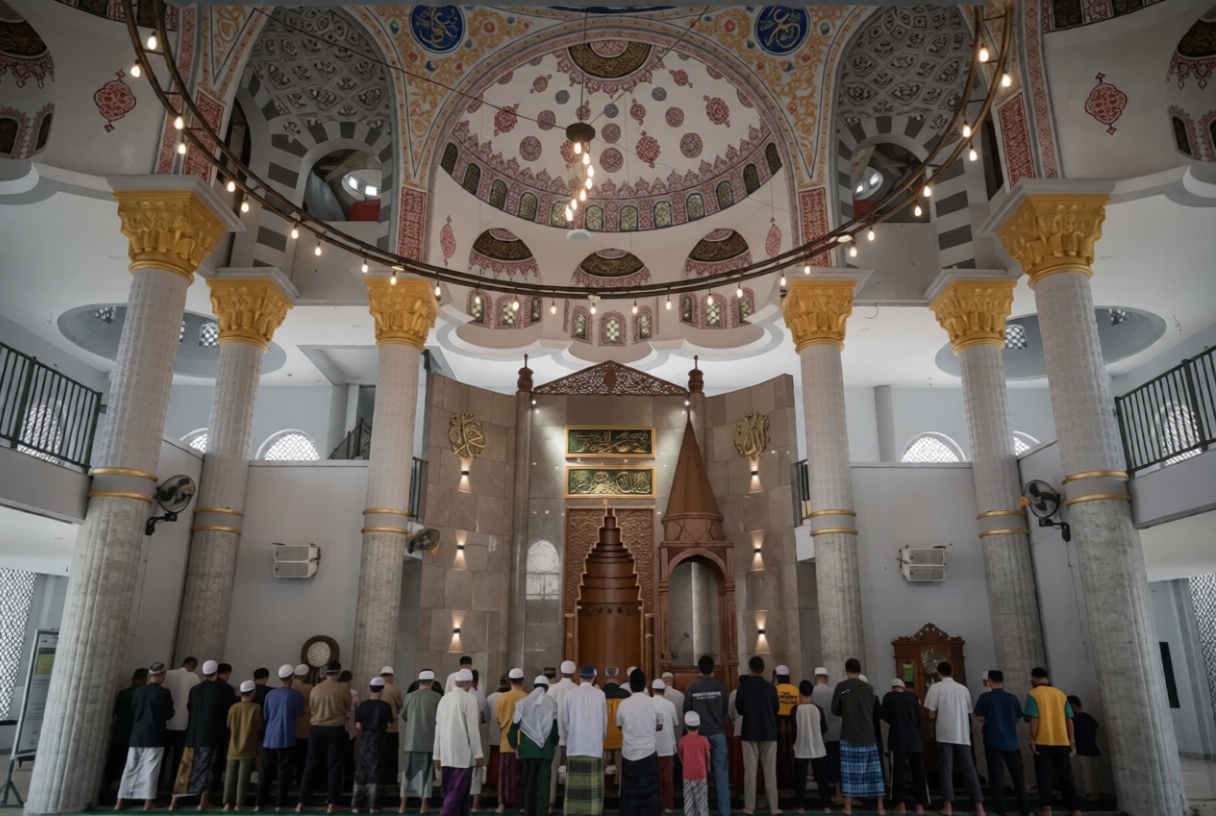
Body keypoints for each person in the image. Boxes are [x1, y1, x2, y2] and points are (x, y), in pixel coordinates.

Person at [923, 662, 984, 816]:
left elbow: (930, 714)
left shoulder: (935, 688)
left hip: (944, 735)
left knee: (945, 770)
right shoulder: (963, 689)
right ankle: (980, 808)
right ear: (953, 672)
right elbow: (969, 711)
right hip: (962, 735)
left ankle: (948, 807)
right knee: (969, 769)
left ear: (938, 673)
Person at [171, 660, 231, 811]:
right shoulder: (225, 689)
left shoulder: (195, 690)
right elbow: (228, 713)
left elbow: (190, 709)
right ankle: (203, 802)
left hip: (193, 733)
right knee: (207, 767)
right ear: (216, 673)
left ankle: (174, 801)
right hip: (212, 734)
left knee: (186, 767)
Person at [116, 662, 174, 812]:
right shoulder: (164, 693)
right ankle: (148, 803)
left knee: (130, 767)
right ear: (163, 675)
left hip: (136, 734)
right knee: (151, 769)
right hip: (154, 735)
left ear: (149, 675)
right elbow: (169, 714)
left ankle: (120, 801)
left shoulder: (138, 692)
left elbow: (135, 710)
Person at [830, 659, 884, 816]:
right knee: (875, 773)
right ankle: (880, 808)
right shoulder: (868, 688)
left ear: (846, 670)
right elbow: (873, 709)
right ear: (860, 670)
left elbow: (835, 708)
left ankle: (848, 807)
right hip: (868, 734)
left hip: (849, 734)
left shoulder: (844, 688)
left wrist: (846, 711)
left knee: (849, 774)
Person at [297, 661, 352, 813]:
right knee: (334, 766)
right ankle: (332, 804)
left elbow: (312, 708)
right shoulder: (343, 688)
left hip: (316, 729)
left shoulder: (315, 689)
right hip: (335, 729)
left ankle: (301, 802)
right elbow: (347, 707)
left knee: (311, 765)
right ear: (339, 673)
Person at [1025, 668, 1080, 816]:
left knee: (1044, 775)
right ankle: (1075, 809)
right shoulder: (1060, 694)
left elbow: (1034, 719)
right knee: (1066, 775)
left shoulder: (1033, 694)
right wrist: (1072, 739)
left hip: (1043, 741)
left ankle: (1047, 808)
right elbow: (1069, 719)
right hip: (1062, 741)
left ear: (1035, 679)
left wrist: (1032, 739)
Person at [973, 670, 1028, 816]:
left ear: (989, 681)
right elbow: (1018, 716)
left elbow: (979, 714)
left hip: (993, 741)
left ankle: (1000, 810)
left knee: (996, 777)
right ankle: (1024, 810)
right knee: (1018, 778)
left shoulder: (985, 697)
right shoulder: (1012, 698)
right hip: (1011, 742)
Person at [682, 656, 730, 816]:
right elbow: (725, 710)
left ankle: (700, 811)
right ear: (713, 668)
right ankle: (725, 811)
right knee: (721, 775)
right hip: (718, 734)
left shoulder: (692, 687)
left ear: (699, 668)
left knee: (699, 775)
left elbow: (687, 710)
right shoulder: (720, 686)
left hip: (699, 736)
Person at [433, 668, 484, 816]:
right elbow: (473, 729)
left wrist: (437, 755)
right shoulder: (470, 699)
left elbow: (438, 728)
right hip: (462, 756)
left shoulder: (444, 699)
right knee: (456, 794)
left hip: (446, 755)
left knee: (457, 795)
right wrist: (478, 753)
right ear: (469, 683)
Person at [735, 655, 780, 815]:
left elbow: (739, 710)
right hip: (769, 732)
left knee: (750, 771)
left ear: (750, 669)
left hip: (749, 732)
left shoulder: (743, 687)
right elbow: (776, 708)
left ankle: (749, 807)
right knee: (770, 772)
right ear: (763, 669)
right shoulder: (770, 687)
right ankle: (774, 807)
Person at [508, 676, 558, 816]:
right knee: (543, 785)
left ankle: (529, 812)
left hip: (528, 750)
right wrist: (554, 743)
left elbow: (513, 728)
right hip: (546, 750)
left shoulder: (522, 703)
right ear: (547, 688)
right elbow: (554, 729)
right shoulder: (551, 702)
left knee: (529, 783)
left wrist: (515, 746)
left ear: (533, 687)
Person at [257, 665, 304, 813]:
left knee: (265, 772)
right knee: (285, 772)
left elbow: (265, 715)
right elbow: (300, 714)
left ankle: (259, 803)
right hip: (287, 737)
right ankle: (280, 804)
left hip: (269, 738)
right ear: (292, 678)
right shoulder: (296, 694)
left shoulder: (270, 694)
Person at [616, 669, 663, 816]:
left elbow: (619, 724)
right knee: (650, 793)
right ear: (644, 685)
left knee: (629, 793)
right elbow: (660, 725)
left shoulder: (623, 704)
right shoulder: (653, 703)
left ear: (630, 685)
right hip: (648, 752)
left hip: (629, 753)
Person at [562, 665, 608, 816]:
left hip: (575, 744)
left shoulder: (570, 693)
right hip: (594, 746)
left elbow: (565, 720)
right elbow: (604, 721)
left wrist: (572, 735)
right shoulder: (600, 694)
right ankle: (593, 811)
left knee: (576, 785)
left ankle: (573, 811)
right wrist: (600, 740)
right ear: (594, 677)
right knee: (592, 785)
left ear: (578, 677)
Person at [880, 679, 927, 815]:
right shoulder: (913, 697)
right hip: (915, 740)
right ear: (903, 687)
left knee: (898, 773)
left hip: (898, 740)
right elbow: (918, 718)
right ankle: (920, 806)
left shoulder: (889, 697)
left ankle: (901, 805)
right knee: (918, 773)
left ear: (893, 687)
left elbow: (884, 716)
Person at [400, 670, 442, 814]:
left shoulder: (409, 697)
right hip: (429, 741)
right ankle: (424, 805)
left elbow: (404, 716)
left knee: (409, 772)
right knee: (426, 773)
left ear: (419, 682)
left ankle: (403, 806)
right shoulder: (438, 697)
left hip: (411, 741)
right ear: (432, 682)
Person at [352, 678, 394, 813]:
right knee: (376, 769)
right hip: (379, 739)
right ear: (382, 690)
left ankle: (357, 805)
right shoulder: (385, 706)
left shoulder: (363, 705)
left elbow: (358, 725)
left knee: (362, 768)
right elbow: (389, 724)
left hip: (365, 739)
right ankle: (373, 806)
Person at [224, 680, 265, 811]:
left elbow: (228, 725)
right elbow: (259, 725)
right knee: (243, 776)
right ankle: (239, 805)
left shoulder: (233, 707)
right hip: (248, 747)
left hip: (233, 748)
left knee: (230, 775)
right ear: (253, 693)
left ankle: (226, 804)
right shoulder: (256, 707)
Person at [791, 680, 829, 814]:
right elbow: (824, 728)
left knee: (800, 781)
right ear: (812, 692)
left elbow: (793, 732)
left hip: (801, 748)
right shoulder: (818, 709)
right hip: (819, 748)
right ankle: (827, 807)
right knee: (822, 780)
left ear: (799, 692)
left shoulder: (795, 709)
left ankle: (800, 807)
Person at [108, 668, 149, 791]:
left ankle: (113, 782)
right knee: (130, 761)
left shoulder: (123, 693)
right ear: (141, 680)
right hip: (135, 733)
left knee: (116, 758)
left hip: (120, 731)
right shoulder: (143, 695)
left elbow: (116, 711)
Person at [163, 658, 200, 791]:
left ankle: (159, 784)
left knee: (163, 756)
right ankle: (175, 785)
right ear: (193, 666)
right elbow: (197, 698)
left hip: (165, 722)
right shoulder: (193, 676)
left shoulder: (168, 674)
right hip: (183, 723)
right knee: (179, 757)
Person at [495, 668, 528, 813]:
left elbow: (498, 719)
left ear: (509, 682)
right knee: (521, 775)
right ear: (523, 682)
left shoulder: (502, 697)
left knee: (505, 775)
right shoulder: (527, 697)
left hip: (506, 741)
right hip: (523, 743)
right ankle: (522, 805)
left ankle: (501, 805)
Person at [547, 661, 578, 809]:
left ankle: (550, 804)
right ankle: (571, 802)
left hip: (554, 735)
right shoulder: (577, 689)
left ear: (561, 671)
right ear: (574, 672)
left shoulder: (553, 689)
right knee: (572, 770)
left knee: (553, 770)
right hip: (573, 736)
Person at [809, 668, 842, 806]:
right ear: (826, 678)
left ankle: (825, 793)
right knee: (835, 763)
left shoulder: (813, 691)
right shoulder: (834, 690)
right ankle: (839, 793)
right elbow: (837, 710)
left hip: (819, 734)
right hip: (834, 733)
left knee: (822, 765)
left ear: (816, 677)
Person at [650, 678, 679, 813]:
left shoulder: (648, 703)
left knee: (653, 778)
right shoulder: (670, 704)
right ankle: (667, 806)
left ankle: (654, 805)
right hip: (667, 745)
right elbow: (675, 723)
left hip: (651, 747)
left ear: (652, 689)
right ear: (664, 690)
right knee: (667, 779)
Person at [1067, 696, 1100, 803]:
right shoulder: (1090, 718)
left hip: (1077, 750)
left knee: (1080, 775)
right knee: (1092, 775)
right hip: (1093, 749)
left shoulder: (1070, 719)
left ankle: (1085, 794)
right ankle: (1093, 794)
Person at [679, 712, 712, 816]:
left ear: (685, 726)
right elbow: (707, 755)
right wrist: (708, 768)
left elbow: (681, 756)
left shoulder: (682, 741)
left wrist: (686, 765)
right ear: (699, 725)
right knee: (702, 802)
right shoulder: (704, 740)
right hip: (701, 774)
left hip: (687, 775)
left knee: (689, 801)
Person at [601, 667, 629, 790]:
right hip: (621, 737)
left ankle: (601, 790)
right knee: (621, 767)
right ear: (618, 678)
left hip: (603, 737)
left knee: (601, 767)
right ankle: (620, 791)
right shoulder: (626, 695)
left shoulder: (599, 695)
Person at [775, 666, 800, 791]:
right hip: (794, 726)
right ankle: (792, 781)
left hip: (778, 726)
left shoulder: (775, 689)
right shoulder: (796, 690)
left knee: (780, 754)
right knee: (791, 754)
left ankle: (781, 782)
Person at [380, 668, 404, 790]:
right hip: (392, 728)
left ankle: (380, 780)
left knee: (380, 755)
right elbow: (400, 706)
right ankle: (391, 781)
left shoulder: (376, 687)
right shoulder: (394, 689)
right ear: (390, 677)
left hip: (378, 729)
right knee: (392, 756)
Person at [485, 675, 509, 794]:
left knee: (493, 759)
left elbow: (485, 717)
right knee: (505, 762)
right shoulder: (510, 697)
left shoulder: (490, 697)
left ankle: (491, 782)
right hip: (507, 735)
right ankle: (502, 783)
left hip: (492, 733)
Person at [292, 665, 315, 786]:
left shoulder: (289, 686)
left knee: (290, 757)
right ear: (306, 676)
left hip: (290, 727)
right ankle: (300, 780)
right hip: (305, 726)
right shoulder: (309, 688)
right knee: (302, 757)